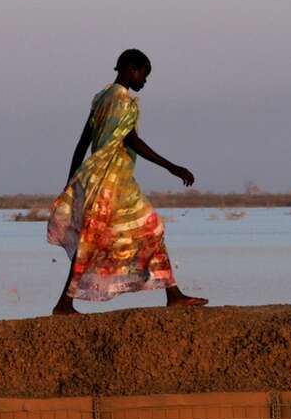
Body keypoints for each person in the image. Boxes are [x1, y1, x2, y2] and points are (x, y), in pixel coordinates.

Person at [47, 48, 205, 315]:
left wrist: (72, 180)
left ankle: (173, 294)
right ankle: (64, 304)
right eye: (144, 74)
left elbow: (82, 143)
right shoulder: (122, 102)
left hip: (97, 178)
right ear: (132, 69)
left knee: (139, 231)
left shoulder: (100, 99)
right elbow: (131, 140)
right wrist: (172, 167)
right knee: (136, 230)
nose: (144, 81)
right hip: (111, 183)